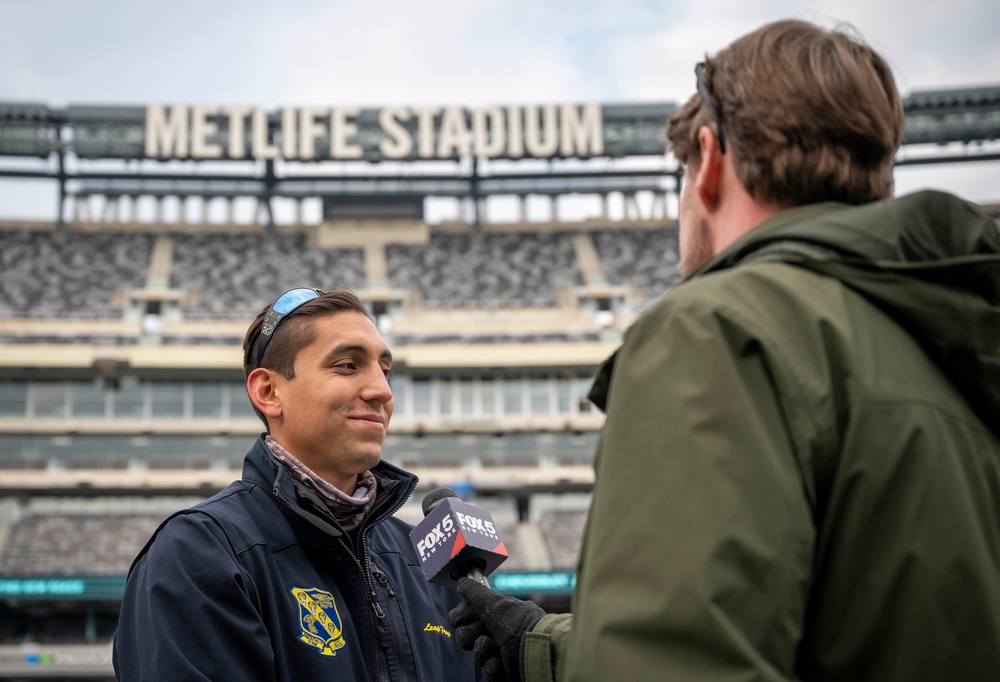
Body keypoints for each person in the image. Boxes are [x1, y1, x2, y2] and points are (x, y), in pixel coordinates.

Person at [449, 18, 1000, 682]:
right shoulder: (953, 329)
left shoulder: (717, 329)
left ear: (709, 160)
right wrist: (543, 644)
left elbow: (666, 667)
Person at [114, 287, 480, 681]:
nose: (382, 391)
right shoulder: (198, 552)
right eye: (347, 365)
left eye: (385, 371)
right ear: (269, 392)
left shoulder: (426, 559)